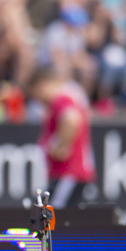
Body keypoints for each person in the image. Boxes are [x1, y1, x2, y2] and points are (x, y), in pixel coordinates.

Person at [30, 67, 96, 209]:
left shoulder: (60, 100)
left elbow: (72, 120)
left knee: (55, 217)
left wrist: (60, 146)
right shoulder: (66, 99)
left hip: (68, 173)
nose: (38, 101)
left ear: (41, 85)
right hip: (68, 175)